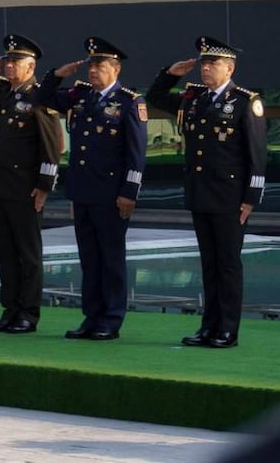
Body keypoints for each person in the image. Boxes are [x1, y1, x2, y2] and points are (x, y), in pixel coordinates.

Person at [146, 36, 266, 349]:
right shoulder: (194, 98)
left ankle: (227, 330)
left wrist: (251, 199)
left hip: (230, 197)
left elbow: (256, 154)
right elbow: (155, 97)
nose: (206, 68)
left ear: (230, 68)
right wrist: (171, 74)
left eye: (213, 63)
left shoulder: (244, 101)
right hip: (201, 194)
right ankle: (209, 326)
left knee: (227, 264)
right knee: (209, 265)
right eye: (204, 63)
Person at [37, 37, 148, 341]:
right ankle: (92, 316)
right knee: (89, 258)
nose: (93, 71)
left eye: (100, 66)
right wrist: (57, 75)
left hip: (111, 194)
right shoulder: (81, 96)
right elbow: (43, 97)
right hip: (83, 191)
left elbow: (136, 153)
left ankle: (110, 319)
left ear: (116, 69)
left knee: (111, 258)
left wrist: (129, 192)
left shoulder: (129, 102)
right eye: (91, 66)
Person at [0, 34, 62, 334]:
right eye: (7, 61)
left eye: (15, 61)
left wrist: (44, 186)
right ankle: (10, 310)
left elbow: (51, 146)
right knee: (5, 253)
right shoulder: (2, 93)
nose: (8, 66)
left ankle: (28, 314)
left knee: (27, 255)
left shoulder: (39, 97)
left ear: (31, 66)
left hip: (25, 187)